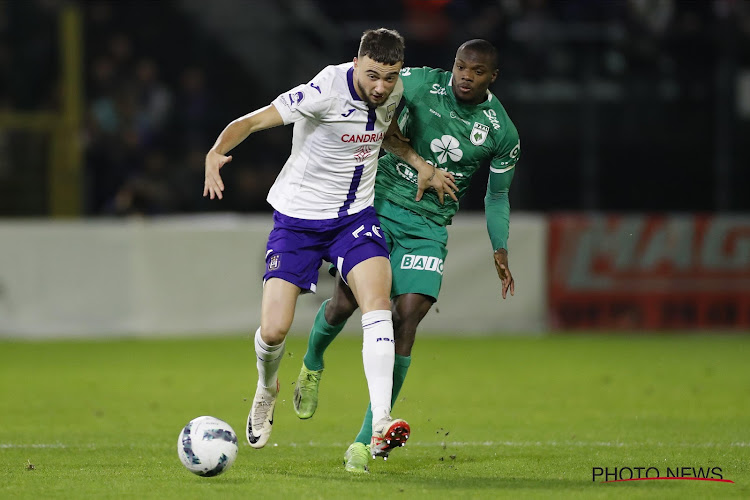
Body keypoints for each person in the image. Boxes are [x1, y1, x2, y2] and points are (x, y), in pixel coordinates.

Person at [203, 28, 456, 458]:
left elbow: (388, 136)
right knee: (275, 329)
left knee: (377, 304)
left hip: (354, 219)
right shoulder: (323, 90)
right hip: (297, 222)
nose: (381, 87)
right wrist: (215, 151)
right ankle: (267, 388)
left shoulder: (391, 94)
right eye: (373, 75)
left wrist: (419, 163)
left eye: (390, 77)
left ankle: (380, 423)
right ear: (356, 63)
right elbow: (252, 120)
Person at [292, 39, 520, 473]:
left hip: (429, 229)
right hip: (377, 207)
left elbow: (498, 196)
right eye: (460, 66)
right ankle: (312, 362)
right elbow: (373, 113)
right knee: (344, 304)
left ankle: (366, 440)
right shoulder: (416, 83)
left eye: (476, 71)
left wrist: (500, 246)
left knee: (407, 317)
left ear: (493, 77)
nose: (464, 76)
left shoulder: (501, 131)